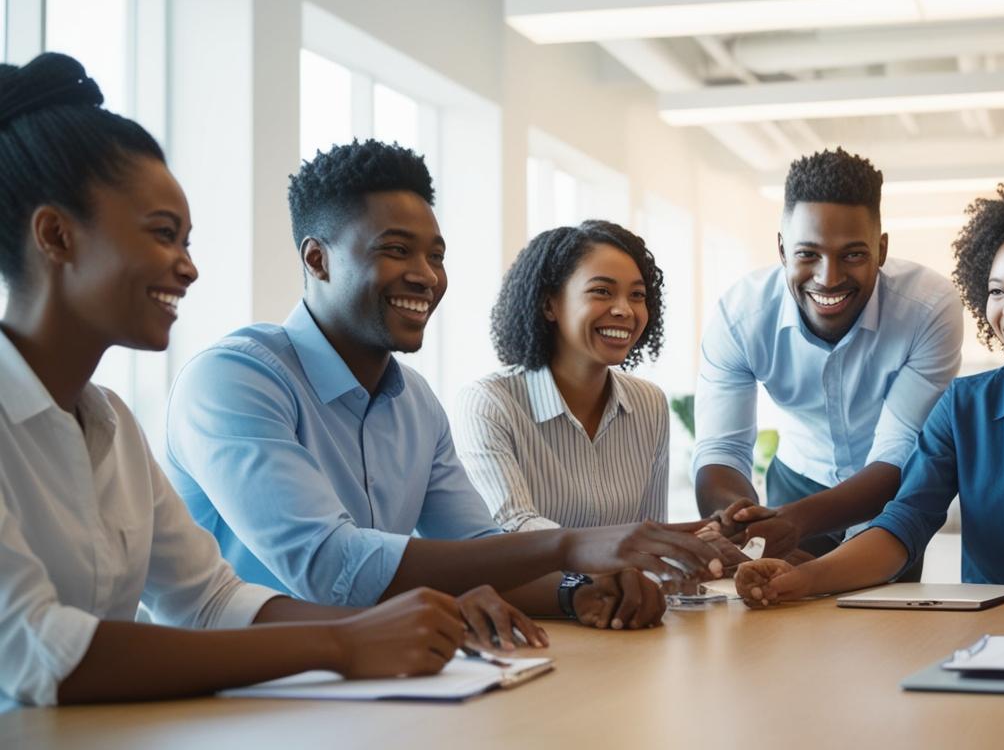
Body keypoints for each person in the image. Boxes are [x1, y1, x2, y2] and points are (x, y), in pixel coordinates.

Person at [0, 53, 468, 710]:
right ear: (55, 235)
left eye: (188, 241)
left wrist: (385, 631)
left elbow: (210, 598)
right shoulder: (231, 376)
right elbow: (38, 649)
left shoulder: (110, 421)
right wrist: (341, 645)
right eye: (164, 236)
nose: (188, 269)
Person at [166, 140, 720, 637]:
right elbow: (328, 566)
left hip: (370, 682)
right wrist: (573, 545)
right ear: (318, 259)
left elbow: (477, 552)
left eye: (436, 255)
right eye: (396, 250)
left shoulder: (415, 401)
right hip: (233, 693)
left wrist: (575, 592)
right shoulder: (235, 379)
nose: (427, 275)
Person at [735, 174, 1004, 606]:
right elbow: (904, 524)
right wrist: (804, 578)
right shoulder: (962, 407)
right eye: (997, 291)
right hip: (983, 638)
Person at [694, 148, 963, 575]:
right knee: (783, 621)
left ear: (882, 248)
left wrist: (795, 522)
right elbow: (721, 448)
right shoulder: (740, 316)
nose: (829, 277)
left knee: (884, 621)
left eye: (853, 255)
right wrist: (737, 518)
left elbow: (897, 452)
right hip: (797, 478)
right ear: (782, 249)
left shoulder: (928, 308)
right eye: (808, 254)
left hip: (888, 490)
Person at [452, 220, 670, 531]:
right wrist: (618, 558)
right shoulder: (488, 403)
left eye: (637, 295)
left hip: (626, 581)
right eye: (602, 291)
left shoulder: (650, 403)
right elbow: (514, 528)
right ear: (549, 305)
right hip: (527, 582)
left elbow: (651, 531)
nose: (625, 310)